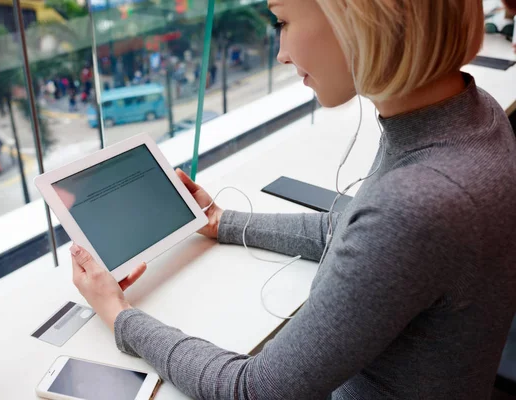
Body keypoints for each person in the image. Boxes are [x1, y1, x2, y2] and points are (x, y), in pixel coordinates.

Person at [69, 1, 516, 399]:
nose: (281, 52)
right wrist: (220, 221)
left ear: (357, 18)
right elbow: (351, 227)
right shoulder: (471, 116)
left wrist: (118, 314)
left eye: (282, 21)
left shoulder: (417, 203)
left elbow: (254, 389)